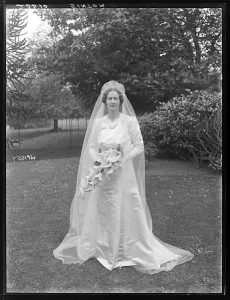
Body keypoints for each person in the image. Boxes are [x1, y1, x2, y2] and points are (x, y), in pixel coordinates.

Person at [53, 80, 194, 274]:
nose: (112, 101)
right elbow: (92, 147)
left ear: (120, 101)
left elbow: (139, 147)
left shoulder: (129, 121)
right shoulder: (98, 123)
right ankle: (101, 246)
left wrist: (121, 160)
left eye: (115, 98)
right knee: (102, 208)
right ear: (105, 101)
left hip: (123, 175)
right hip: (103, 175)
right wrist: (102, 163)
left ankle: (129, 248)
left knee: (127, 207)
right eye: (109, 98)